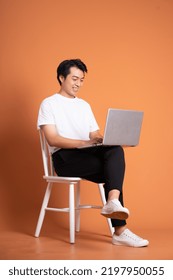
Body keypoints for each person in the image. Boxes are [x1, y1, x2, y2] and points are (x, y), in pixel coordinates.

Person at [37, 59, 149, 247]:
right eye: (74, 79)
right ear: (61, 77)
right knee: (113, 170)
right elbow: (52, 139)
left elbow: (94, 134)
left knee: (115, 151)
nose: (78, 84)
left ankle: (113, 203)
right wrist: (85, 142)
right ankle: (120, 230)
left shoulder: (84, 105)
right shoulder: (49, 104)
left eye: (81, 80)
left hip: (85, 155)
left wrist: (106, 139)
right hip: (64, 159)